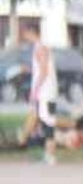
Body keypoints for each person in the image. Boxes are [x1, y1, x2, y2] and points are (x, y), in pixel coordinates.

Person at [23, 23, 58, 165]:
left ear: (32, 32)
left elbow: (44, 71)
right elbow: (42, 69)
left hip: (45, 91)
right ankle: (47, 155)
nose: (24, 36)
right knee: (44, 121)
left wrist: (35, 91)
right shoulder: (41, 48)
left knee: (48, 122)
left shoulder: (40, 48)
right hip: (47, 90)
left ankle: (50, 157)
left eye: (25, 32)